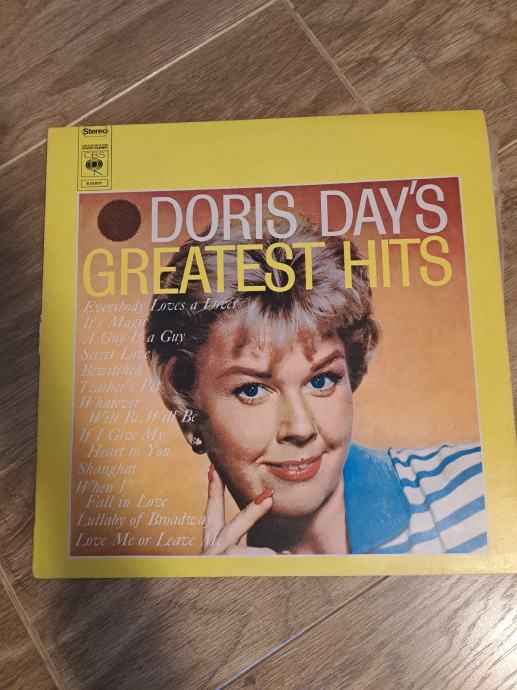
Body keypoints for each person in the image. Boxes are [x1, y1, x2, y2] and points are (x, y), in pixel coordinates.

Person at [145, 212, 487, 556]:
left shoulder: (478, 489)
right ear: (186, 410)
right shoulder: (227, 572)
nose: (300, 428)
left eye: (322, 380)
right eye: (252, 390)